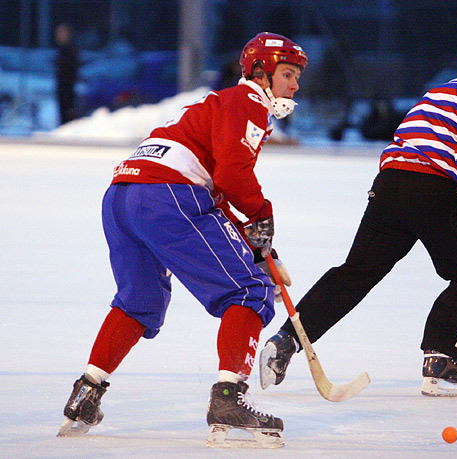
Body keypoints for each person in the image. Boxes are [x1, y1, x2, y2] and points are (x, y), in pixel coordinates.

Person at [58, 32, 307, 448]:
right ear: (259, 73)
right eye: (287, 74)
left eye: (297, 76)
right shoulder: (249, 102)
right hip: (167, 194)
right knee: (249, 291)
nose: (295, 85)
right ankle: (229, 399)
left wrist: (258, 248)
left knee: (139, 302)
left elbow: (215, 196)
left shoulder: (217, 105)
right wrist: (263, 215)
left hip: (123, 195)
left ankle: (86, 393)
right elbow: (229, 176)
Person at [259, 33, 457, 397]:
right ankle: (441, 364)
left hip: (390, 186)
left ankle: (285, 341)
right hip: (436, 190)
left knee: (356, 273)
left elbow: (425, 144)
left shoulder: (445, 91)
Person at [54, 23, 80, 125]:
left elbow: (72, 69)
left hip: (68, 87)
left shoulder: (70, 50)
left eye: (61, 33)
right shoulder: (62, 49)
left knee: (67, 113)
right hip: (63, 86)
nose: (58, 36)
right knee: (63, 113)